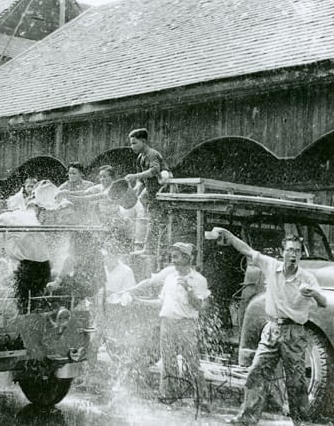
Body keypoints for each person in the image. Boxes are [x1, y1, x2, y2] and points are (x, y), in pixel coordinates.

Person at [211, 229, 327, 426]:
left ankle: (301, 422)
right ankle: (247, 418)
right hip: (271, 329)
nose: (293, 254)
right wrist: (228, 236)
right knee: (256, 372)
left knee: (297, 381)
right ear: (282, 252)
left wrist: (313, 294)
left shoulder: (307, 278)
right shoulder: (271, 266)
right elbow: (247, 250)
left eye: (297, 251)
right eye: (290, 250)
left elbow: (323, 302)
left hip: (294, 333)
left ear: (301, 254)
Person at [130, 242, 210, 408]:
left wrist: (188, 289)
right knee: (168, 363)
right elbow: (161, 303)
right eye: (172, 257)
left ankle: (202, 399)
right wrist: (139, 302)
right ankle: (170, 397)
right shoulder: (170, 278)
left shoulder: (199, 280)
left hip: (186, 324)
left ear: (187, 258)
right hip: (167, 323)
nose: (173, 261)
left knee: (192, 362)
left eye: (176, 257)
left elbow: (200, 306)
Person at [125, 128, 171, 253]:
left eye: (134, 143)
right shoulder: (140, 157)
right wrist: (135, 189)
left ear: (144, 142)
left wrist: (134, 176)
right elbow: (141, 180)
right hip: (151, 191)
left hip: (163, 190)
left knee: (154, 220)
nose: (132, 146)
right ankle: (151, 248)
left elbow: (153, 171)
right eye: (131, 143)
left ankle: (149, 249)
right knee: (151, 216)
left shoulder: (151, 154)